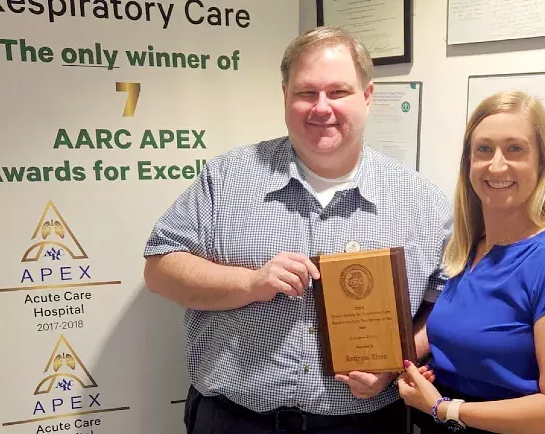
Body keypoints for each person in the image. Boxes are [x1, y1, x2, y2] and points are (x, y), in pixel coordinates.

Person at [142, 25, 451, 434]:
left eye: (338, 92)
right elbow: (160, 269)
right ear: (285, 96)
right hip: (235, 422)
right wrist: (251, 282)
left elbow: (445, 304)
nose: (321, 107)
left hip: (364, 425)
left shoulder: (424, 201)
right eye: (306, 92)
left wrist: (395, 359)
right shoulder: (226, 178)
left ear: (368, 96)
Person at [397, 91, 545, 434]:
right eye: (484, 149)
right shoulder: (465, 252)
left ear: (541, 163)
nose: (496, 165)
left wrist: (443, 407)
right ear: (469, 163)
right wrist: (415, 371)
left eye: (515, 149)